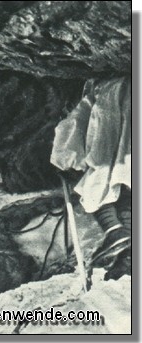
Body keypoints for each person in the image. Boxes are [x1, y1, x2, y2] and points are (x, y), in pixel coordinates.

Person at [51, 77, 131, 280]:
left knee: (97, 188)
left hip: (111, 156)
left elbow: (71, 131)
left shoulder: (102, 90)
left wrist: (64, 162)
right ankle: (127, 255)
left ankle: (116, 232)